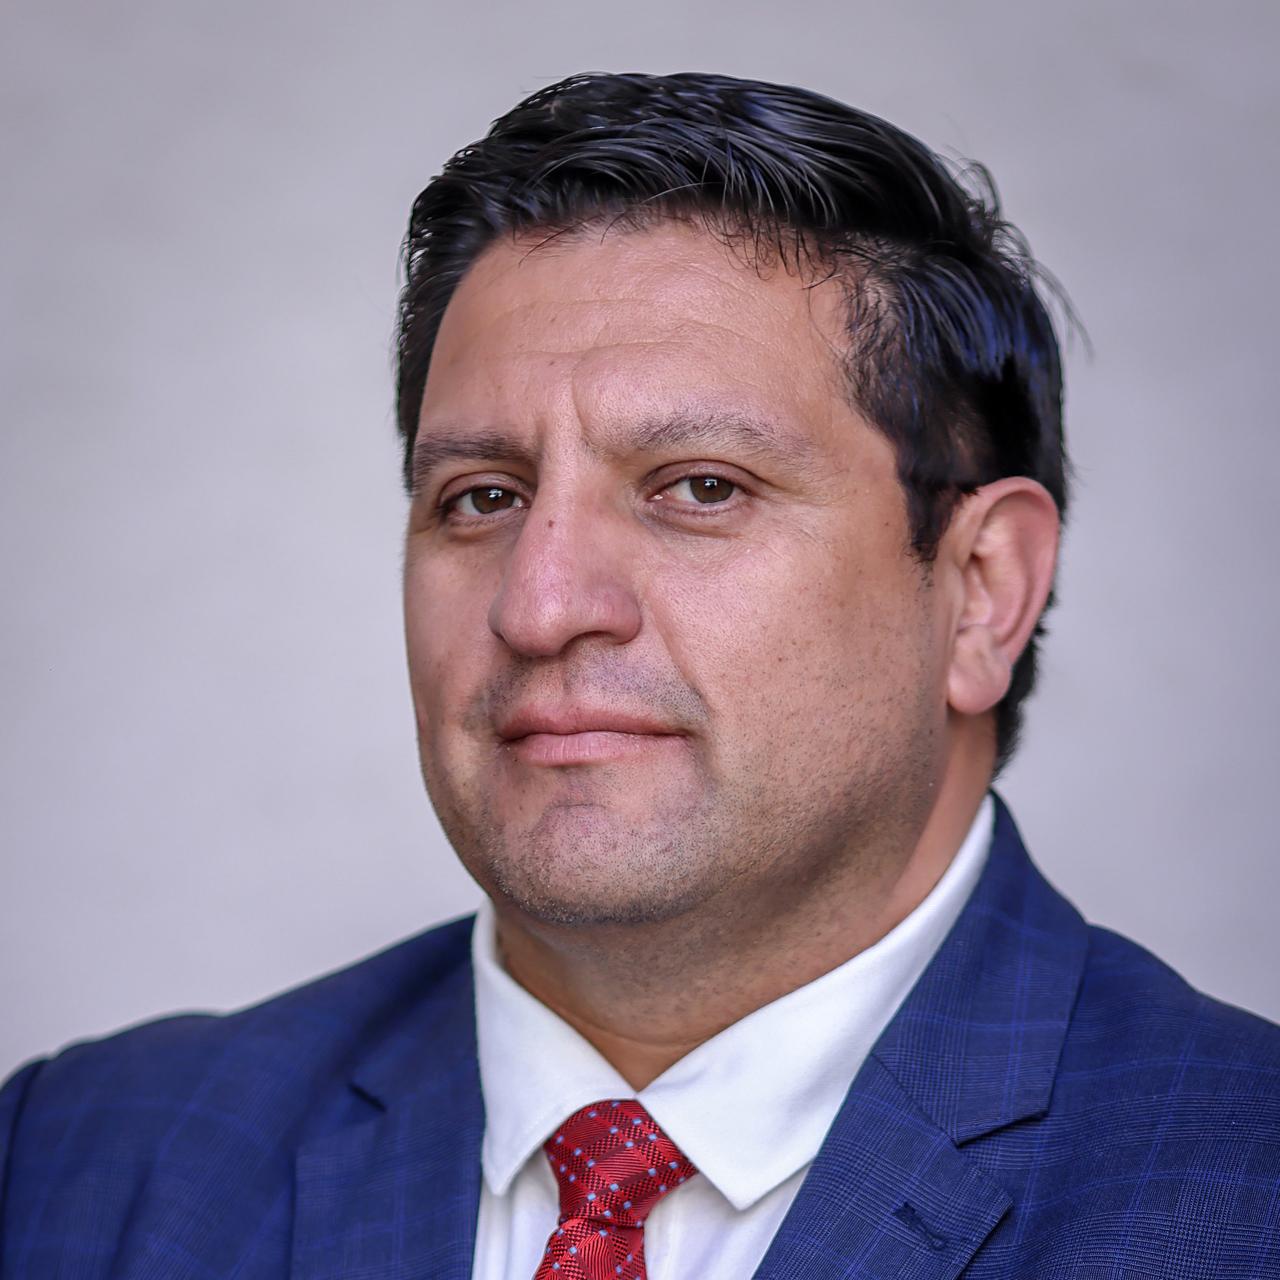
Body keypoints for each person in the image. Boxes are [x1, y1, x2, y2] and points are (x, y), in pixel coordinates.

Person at [2, 70, 1277, 1280]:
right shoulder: (78, 1168)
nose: (539, 604)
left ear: (980, 588)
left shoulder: (1241, 1190)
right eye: (482, 495)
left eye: (700, 487)